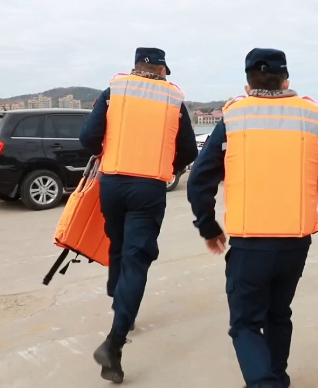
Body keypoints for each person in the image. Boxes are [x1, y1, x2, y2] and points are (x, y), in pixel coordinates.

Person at [186, 48, 318, 388]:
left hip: (249, 244)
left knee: (245, 324)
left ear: (247, 84)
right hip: (294, 244)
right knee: (278, 314)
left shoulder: (233, 117)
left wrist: (208, 225)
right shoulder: (309, 117)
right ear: (286, 80)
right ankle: (279, 377)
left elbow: (200, 179)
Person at [79, 47, 198, 383]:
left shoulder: (114, 91)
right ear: (160, 70)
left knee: (118, 245)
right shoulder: (173, 100)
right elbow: (188, 149)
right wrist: (166, 167)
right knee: (136, 258)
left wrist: (111, 152)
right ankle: (114, 343)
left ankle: (121, 303)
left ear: (136, 66)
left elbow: (88, 137)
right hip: (148, 188)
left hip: (113, 183)